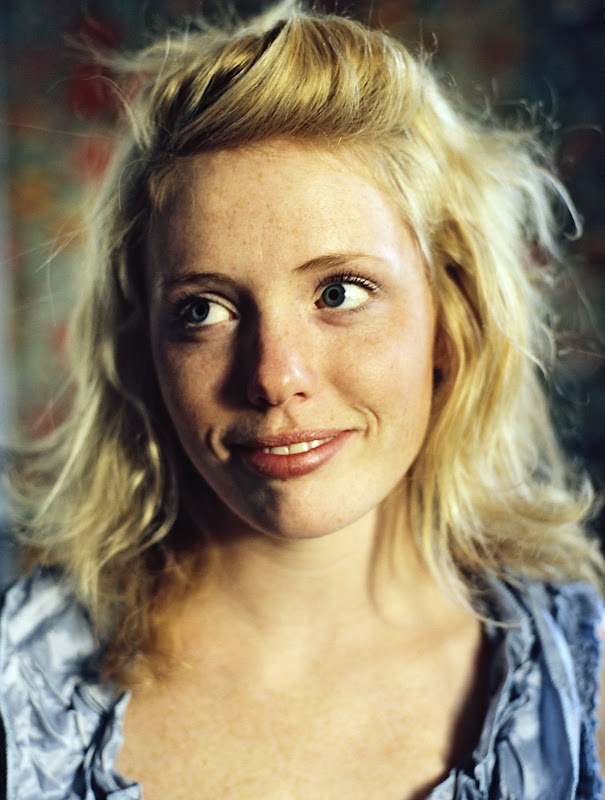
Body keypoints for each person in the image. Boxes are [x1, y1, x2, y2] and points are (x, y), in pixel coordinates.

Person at [1, 2, 604, 798]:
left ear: (449, 317)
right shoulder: (21, 692)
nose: (273, 376)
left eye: (339, 292)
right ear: (146, 344)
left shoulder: (585, 697)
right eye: (203, 309)